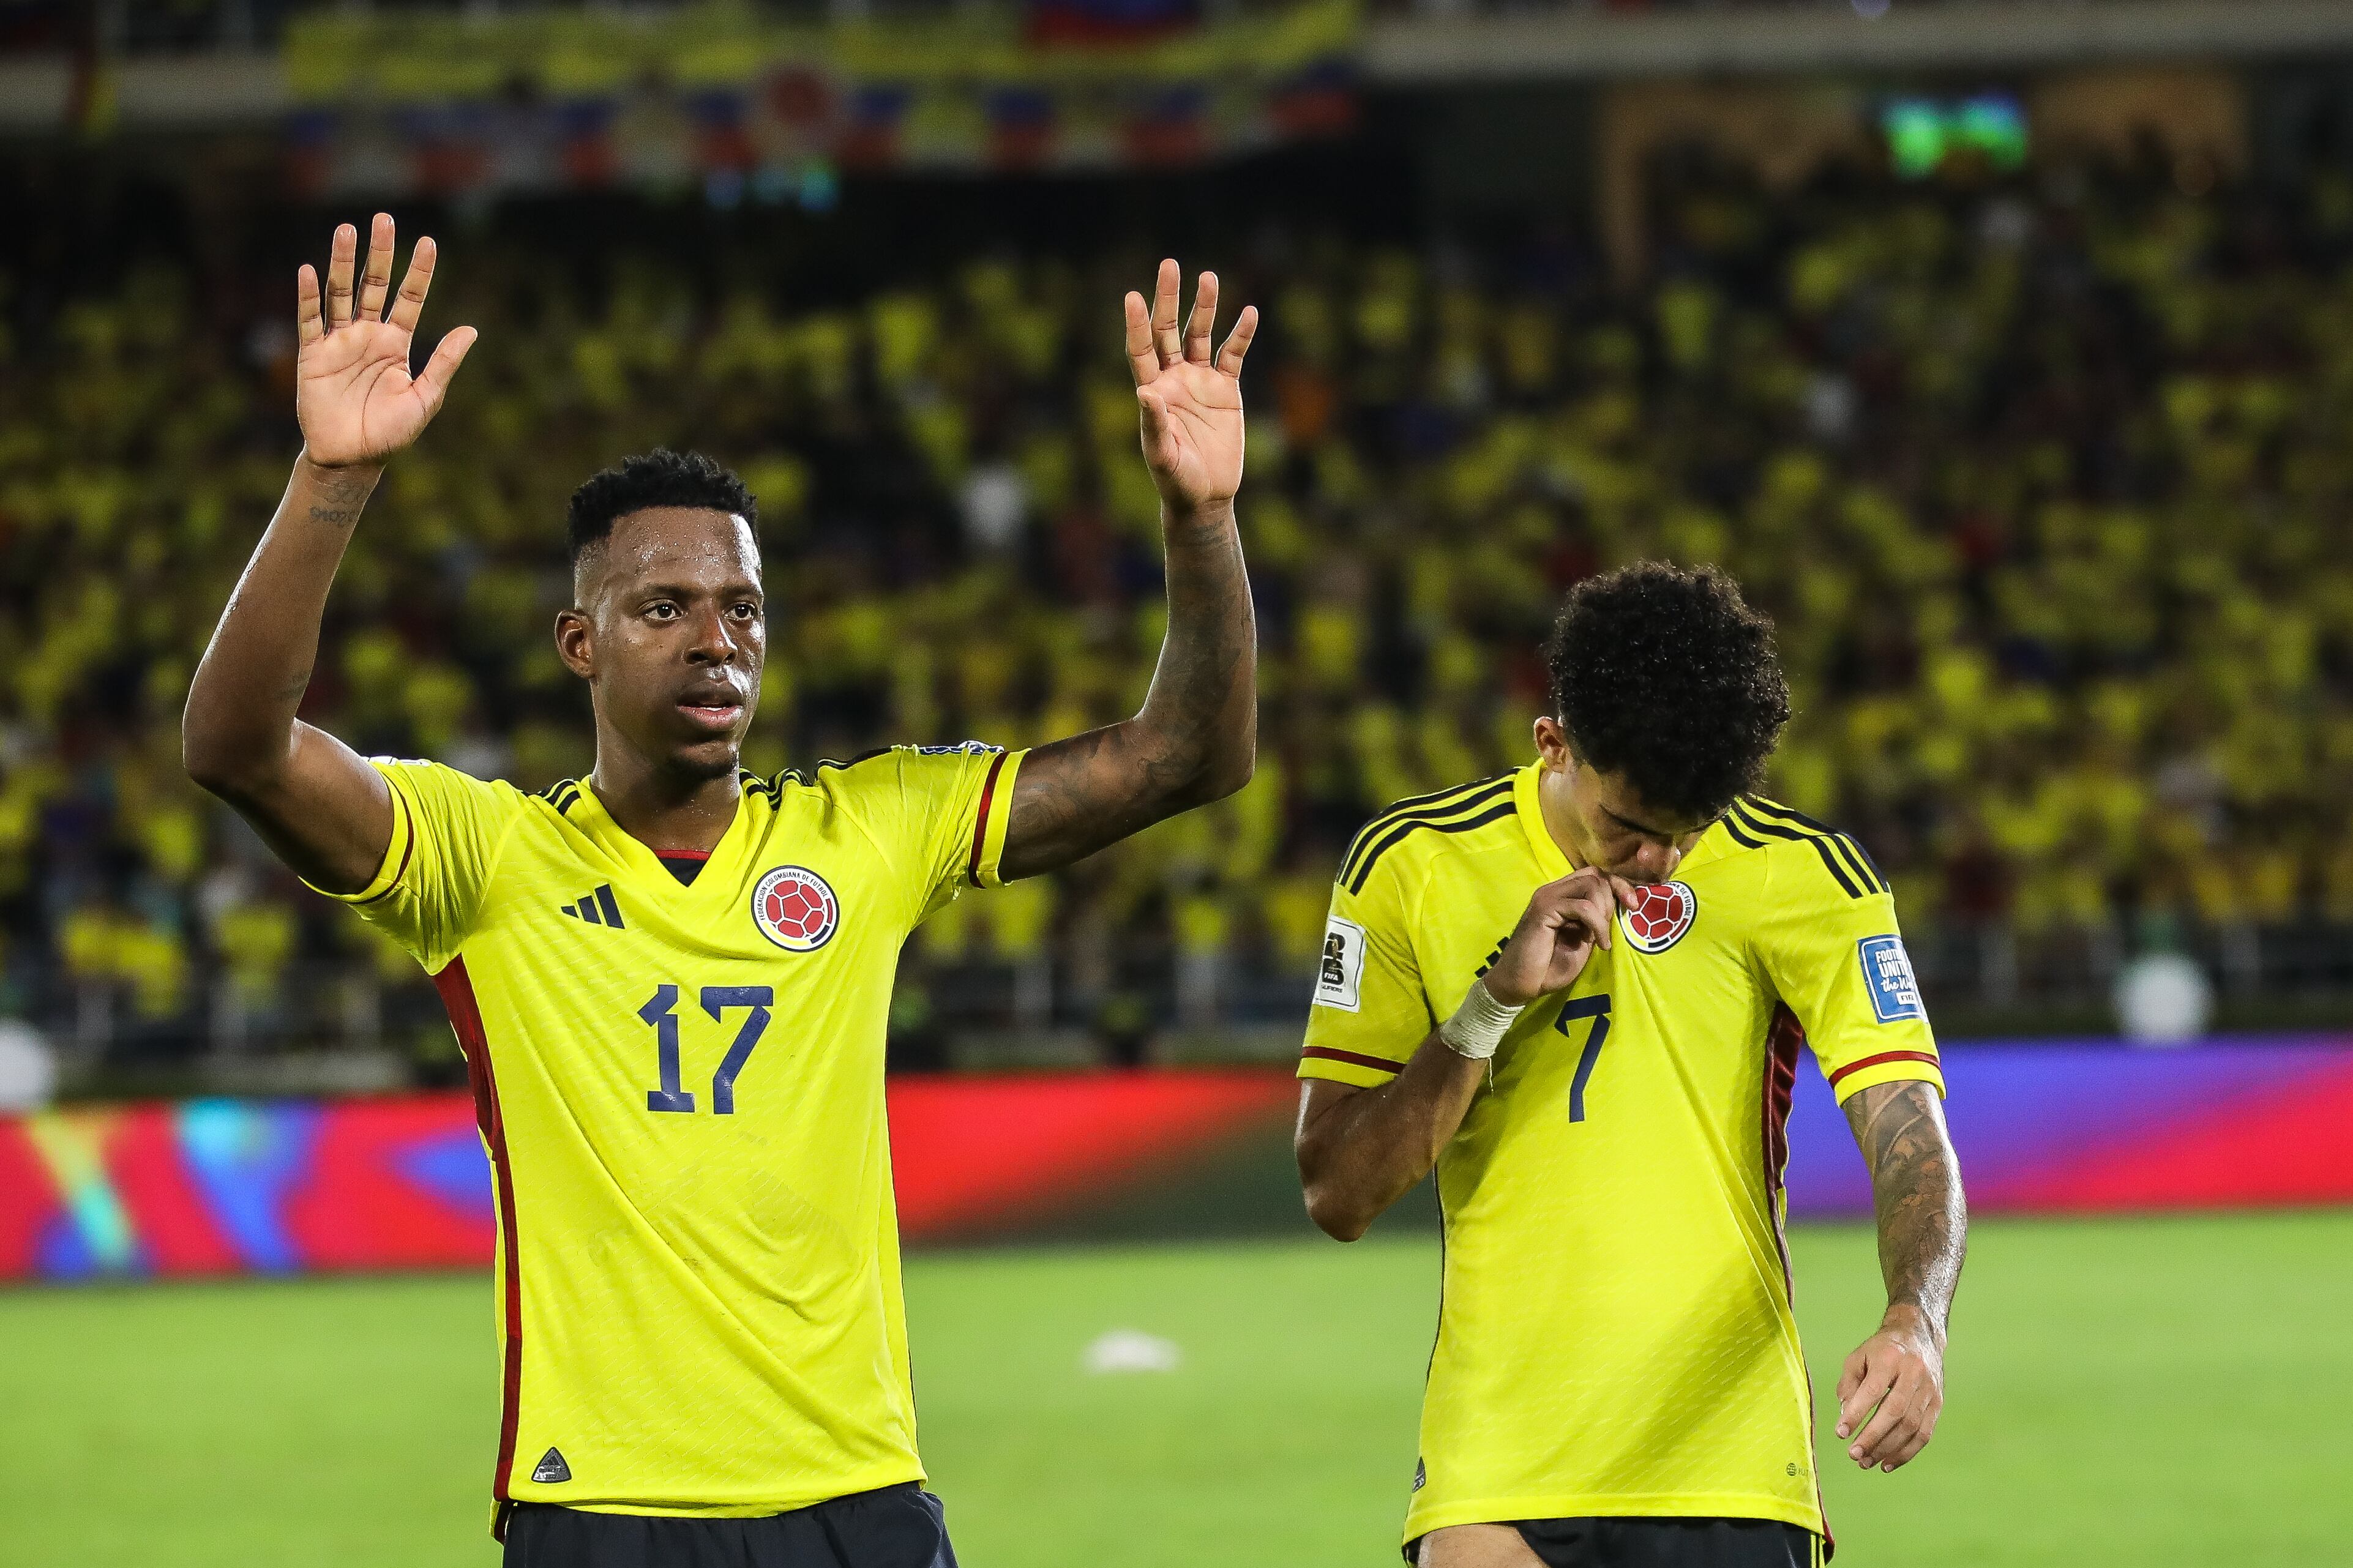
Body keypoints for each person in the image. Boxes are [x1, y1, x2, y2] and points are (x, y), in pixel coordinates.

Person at [182, 214, 1259, 1567]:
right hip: (600, 1507)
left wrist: (1201, 519)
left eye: (741, 609)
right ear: (578, 643)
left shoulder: (867, 832)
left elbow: (1188, 756)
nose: (715, 642)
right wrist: (330, 482)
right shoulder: (487, 860)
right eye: (663, 608)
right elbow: (235, 749)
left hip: (856, 1496)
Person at [1293, 563, 1967, 1568]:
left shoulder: (1809, 875)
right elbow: (1337, 1191)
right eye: (1630, 827)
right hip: (1497, 1461)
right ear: (1553, 743)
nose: (1658, 864)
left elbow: (1907, 1126)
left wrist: (1917, 1318)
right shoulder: (1413, 864)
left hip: (1728, 1460)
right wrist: (1491, 1006)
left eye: (1689, 834)